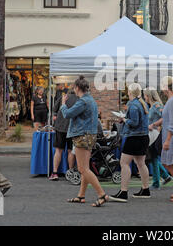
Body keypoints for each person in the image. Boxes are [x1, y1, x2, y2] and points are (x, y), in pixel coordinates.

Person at [61, 76, 108, 207]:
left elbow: (67, 114)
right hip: (90, 136)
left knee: (83, 169)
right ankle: (81, 195)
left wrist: (63, 105)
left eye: (74, 88)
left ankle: (102, 194)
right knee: (85, 168)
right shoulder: (91, 100)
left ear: (77, 88)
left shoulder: (82, 102)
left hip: (82, 136)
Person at [109, 83, 151, 203]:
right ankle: (145, 189)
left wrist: (124, 119)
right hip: (143, 137)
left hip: (134, 138)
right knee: (141, 163)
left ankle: (123, 192)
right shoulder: (143, 104)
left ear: (130, 92)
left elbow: (134, 122)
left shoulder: (133, 106)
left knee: (124, 163)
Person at [145, 88, 172, 190]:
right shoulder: (152, 106)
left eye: (145, 96)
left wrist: (154, 124)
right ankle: (165, 176)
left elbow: (165, 117)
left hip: (154, 134)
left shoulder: (156, 105)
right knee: (153, 158)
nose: (145, 98)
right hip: (152, 134)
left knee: (153, 157)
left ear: (149, 96)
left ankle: (157, 182)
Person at [49, 88, 77, 181]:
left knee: (58, 151)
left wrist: (56, 115)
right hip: (72, 128)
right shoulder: (79, 99)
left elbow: (54, 109)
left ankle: (55, 172)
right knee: (70, 151)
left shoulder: (63, 97)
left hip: (60, 127)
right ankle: (70, 172)